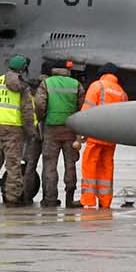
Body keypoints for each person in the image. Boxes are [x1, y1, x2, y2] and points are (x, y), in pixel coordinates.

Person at [0, 54, 35, 207]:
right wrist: (31, 132)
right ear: (23, 69)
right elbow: (27, 112)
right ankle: (12, 197)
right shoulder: (22, 88)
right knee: (13, 166)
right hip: (13, 130)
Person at [78, 64, 128, 209]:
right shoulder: (121, 92)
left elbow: (87, 110)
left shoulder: (97, 86)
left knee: (89, 165)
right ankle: (105, 201)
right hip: (111, 137)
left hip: (95, 134)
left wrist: (81, 131)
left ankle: (88, 200)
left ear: (102, 74)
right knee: (106, 167)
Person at [38, 60, 84, 207]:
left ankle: (50, 199)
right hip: (70, 129)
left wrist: (42, 118)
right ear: (66, 70)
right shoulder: (76, 84)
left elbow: (40, 104)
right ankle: (69, 199)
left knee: (50, 165)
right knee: (70, 164)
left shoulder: (46, 83)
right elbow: (82, 106)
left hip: (51, 129)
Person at [20, 69, 46, 202]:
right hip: (45, 132)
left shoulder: (29, 96)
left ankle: (26, 195)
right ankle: (48, 198)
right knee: (48, 166)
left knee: (30, 165)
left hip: (33, 134)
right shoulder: (48, 92)